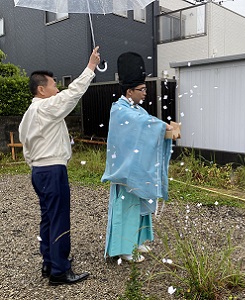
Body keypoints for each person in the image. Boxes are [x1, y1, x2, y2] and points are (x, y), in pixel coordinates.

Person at [18, 47, 101, 285]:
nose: (58, 90)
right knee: (60, 218)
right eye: (54, 85)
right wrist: (91, 67)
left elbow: (26, 144)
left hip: (38, 170)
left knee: (48, 217)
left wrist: (35, 164)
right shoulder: (46, 107)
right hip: (53, 170)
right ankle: (60, 271)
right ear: (42, 89)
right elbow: (72, 95)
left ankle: (49, 262)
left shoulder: (29, 113)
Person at [101, 52, 173, 262]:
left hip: (137, 168)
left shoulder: (135, 108)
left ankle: (138, 241)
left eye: (145, 88)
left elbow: (146, 121)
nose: (145, 93)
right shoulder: (120, 110)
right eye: (141, 89)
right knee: (127, 208)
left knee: (140, 206)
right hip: (125, 171)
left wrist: (161, 127)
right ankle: (124, 248)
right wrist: (162, 126)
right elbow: (143, 124)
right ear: (129, 90)